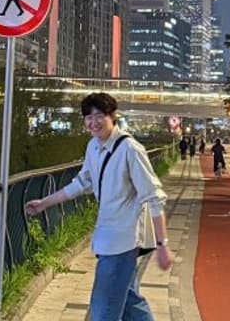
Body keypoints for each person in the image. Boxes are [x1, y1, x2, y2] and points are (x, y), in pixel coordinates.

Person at [25, 93, 173, 321]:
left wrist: (162, 245)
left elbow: (153, 197)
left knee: (103, 308)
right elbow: (82, 183)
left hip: (122, 241)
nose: (93, 122)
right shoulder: (93, 146)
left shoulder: (130, 149)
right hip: (106, 236)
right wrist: (44, 203)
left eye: (99, 116)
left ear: (112, 116)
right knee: (130, 304)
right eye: (88, 117)